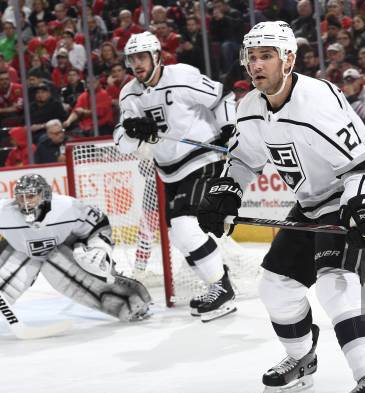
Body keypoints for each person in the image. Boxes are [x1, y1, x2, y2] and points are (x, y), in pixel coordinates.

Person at [198, 21, 365, 393]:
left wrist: (361, 206)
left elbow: (363, 164)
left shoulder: (317, 101)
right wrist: (227, 191)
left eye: (267, 55)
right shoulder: (251, 107)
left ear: (288, 59)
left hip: (356, 193)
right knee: (275, 285)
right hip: (310, 204)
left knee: (335, 280)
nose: (257, 64)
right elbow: (243, 158)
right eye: (252, 56)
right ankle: (302, 358)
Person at [113, 31, 237, 322]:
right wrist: (132, 131)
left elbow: (221, 97)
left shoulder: (182, 76)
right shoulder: (130, 93)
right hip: (168, 171)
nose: (137, 63)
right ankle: (218, 282)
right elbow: (121, 141)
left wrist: (230, 128)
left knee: (184, 225)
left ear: (157, 56)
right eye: (132, 59)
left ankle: (222, 289)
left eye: (142, 57)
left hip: (203, 159)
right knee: (181, 237)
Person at [0, 174, 151, 322]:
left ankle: (131, 300)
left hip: (63, 251)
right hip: (22, 253)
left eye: (31, 196)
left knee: (69, 264)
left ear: (44, 195)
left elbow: (99, 224)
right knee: (10, 281)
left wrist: (99, 248)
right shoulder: (5, 212)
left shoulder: (66, 207)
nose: (25, 202)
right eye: (21, 197)